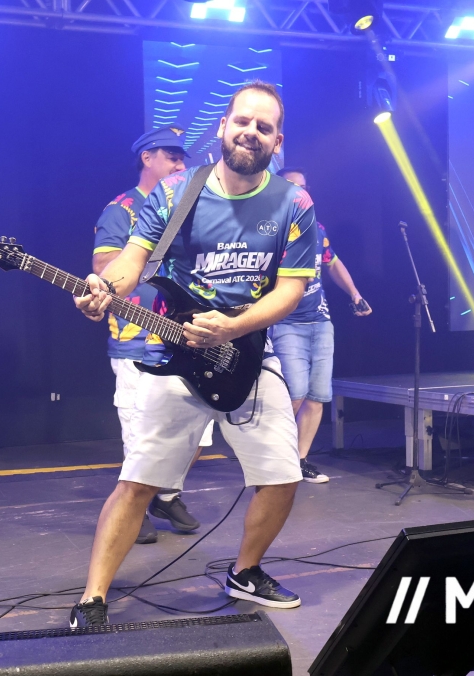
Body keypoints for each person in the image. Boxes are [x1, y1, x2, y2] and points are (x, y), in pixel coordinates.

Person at [71, 82, 317, 627]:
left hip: (249, 354)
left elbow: (290, 290)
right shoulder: (176, 190)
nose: (251, 132)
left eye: (264, 127)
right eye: (242, 121)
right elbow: (133, 260)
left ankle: (245, 571)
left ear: (277, 141)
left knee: (283, 474)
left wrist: (233, 326)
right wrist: (106, 288)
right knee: (139, 482)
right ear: (223, 126)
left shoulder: (294, 202)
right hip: (175, 355)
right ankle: (92, 598)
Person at [93, 126, 213, 544]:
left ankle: (165, 494)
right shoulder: (122, 209)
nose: (180, 164)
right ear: (147, 158)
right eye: (171, 156)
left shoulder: (188, 204)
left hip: (183, 336)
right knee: (140, 432)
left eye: (182, 158)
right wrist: (153, 258)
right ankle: (136, 504)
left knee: (199, 432)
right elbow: (104, 265)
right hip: (135, 338)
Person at [269, 167, 371, 483]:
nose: (301, 191)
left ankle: (300, 460)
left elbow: (333, 262)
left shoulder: (316, 227)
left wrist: (355, 294)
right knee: (295, 392)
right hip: (286, 321)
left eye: (304, 186)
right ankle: (276, 458)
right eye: (292, 185)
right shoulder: (268, 229)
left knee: (317, 395)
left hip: (320, 321)